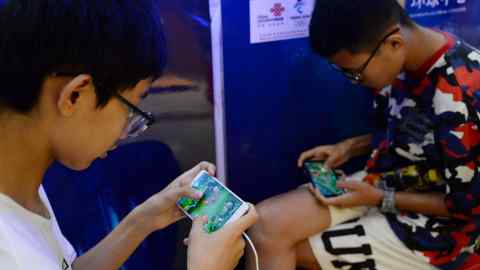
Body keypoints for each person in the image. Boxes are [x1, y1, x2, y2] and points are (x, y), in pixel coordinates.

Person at [0, 1, 257, 269]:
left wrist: (143, 220)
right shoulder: (7, 248)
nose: (128, 131)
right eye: (131, 107)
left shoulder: (20, 183)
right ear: (75, 96)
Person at [246, 0, 480, 269]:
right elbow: (420, 134)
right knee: (263, 229)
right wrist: (349, 147)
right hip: (387, 181)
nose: (353, 81)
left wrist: (380, 199)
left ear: (393, 43)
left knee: (287, 249)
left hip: (448, 233)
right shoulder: (409, 53)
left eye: (355, 73)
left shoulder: (463, 94)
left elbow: (467, 206)